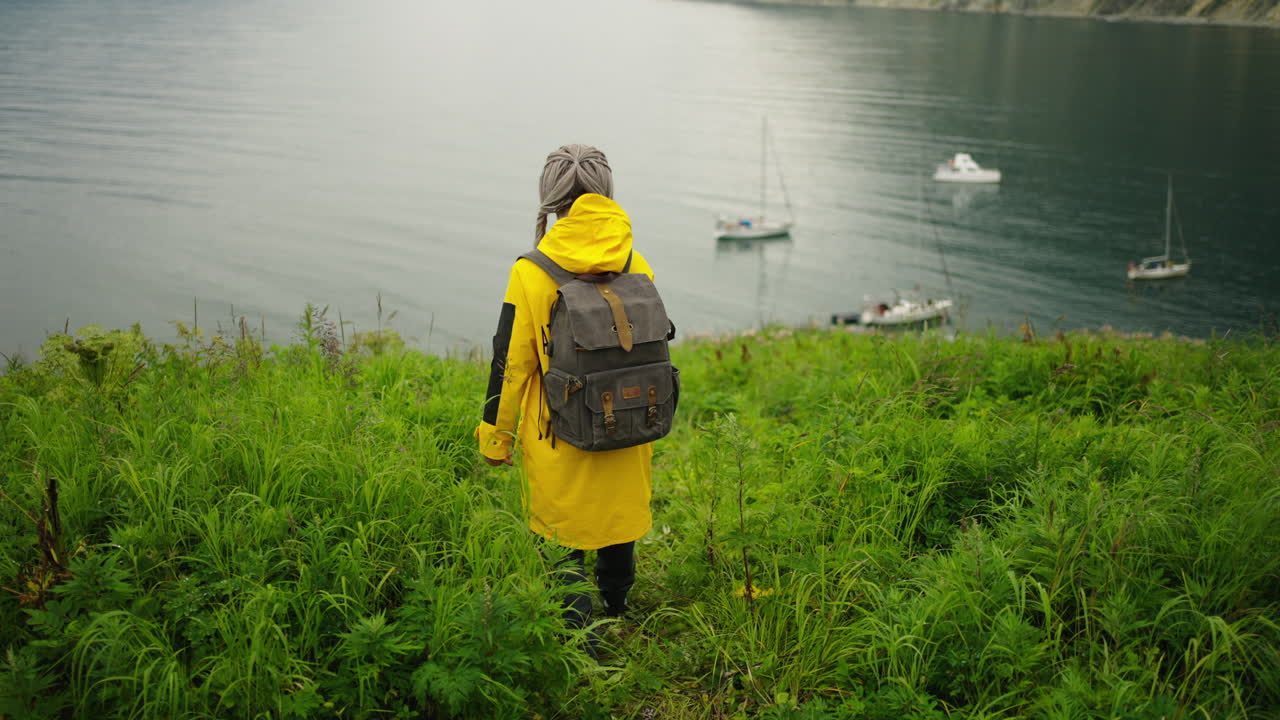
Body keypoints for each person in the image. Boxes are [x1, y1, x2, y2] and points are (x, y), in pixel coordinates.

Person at [476, 144, 656, 645]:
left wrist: (497, 438)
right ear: (606, 192)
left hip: (560, 430)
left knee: (562, 533)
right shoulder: (634, 258)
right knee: (617, 519)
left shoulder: (532, 271)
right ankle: (618, 605)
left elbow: (510, 365)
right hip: (628, 420)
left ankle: (580, 639)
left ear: (551, 198)